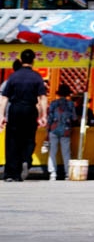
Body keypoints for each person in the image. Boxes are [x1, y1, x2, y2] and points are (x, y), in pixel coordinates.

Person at [0, 49, 48, 182]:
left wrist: (1, 115)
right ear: (33, 60)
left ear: (21, 60)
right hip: (29, 110)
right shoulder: (37, 77)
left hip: (15, 110)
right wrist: (43, 115)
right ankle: (26, 159)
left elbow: (4, 98)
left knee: (12, 141)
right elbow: (42, 97)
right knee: (28, 138)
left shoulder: (13, 77)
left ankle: (11, 173)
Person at [46, 84, 75, 181]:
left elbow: (49, 118)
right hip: (65, 130)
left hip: (54, 129)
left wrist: (47, 130)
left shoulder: (53, 103)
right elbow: (74, 118)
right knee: (66, 152)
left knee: (52, 152)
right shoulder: (70, 104)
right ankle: (67, 173)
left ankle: (53, 173)